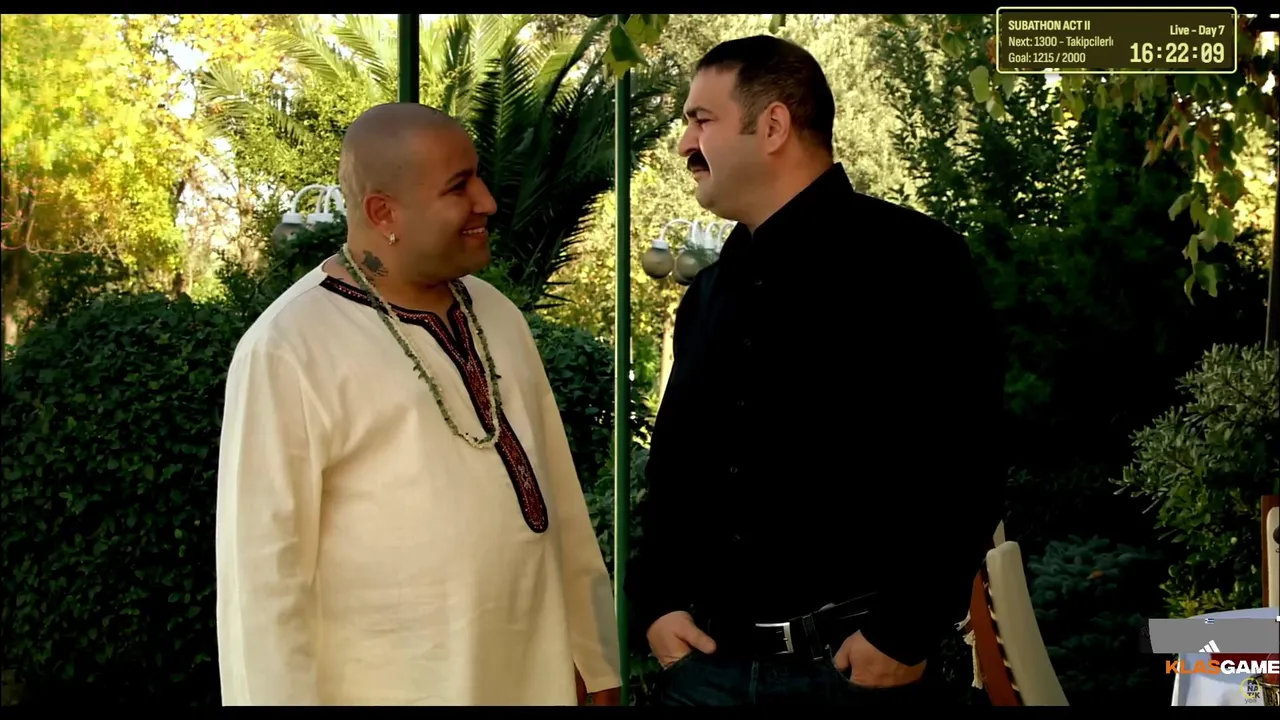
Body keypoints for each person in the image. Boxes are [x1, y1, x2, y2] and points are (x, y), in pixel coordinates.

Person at [625, 36, 1006, 706]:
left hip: (856, 675)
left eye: (701, 120)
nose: (684, 143)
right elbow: (676, 469)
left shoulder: (915, 262)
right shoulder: (707, 294)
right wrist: (656, 603)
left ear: (773, 125)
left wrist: (903, 632)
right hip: (705, 673)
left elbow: (967, 461)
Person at [215, 103, 622, 706]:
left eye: (478, 177)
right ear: (383, 212)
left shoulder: (497, 314)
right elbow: (262, 579)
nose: (486, 201)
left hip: (535, 679)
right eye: (459, 186)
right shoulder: (289, 347)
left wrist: (597, 659)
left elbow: (557, 495)